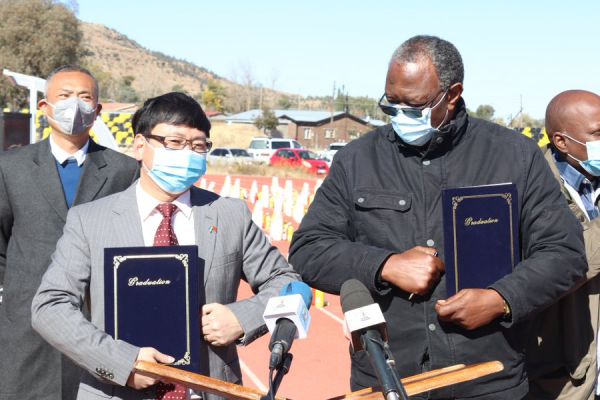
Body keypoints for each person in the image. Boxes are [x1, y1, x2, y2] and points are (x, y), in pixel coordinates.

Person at [288, 35, 587, 399]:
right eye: (390, 104)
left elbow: (565, 253)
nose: (400, 116)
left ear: (452, 94)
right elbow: (309, 249)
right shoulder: (356, 160)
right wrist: (384, 265)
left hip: (488, 378)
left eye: (413, 106)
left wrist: (501, 299)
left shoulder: (514, 156)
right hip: (386, 379)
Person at [31, 92, 300, 400]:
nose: (187, 153)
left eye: (198, 145)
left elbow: (286, 281)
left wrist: (243, 318)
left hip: (210, 389)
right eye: (174, 142)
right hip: (115, 391)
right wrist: (123, 363)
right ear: (139, 146)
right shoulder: (89, 220)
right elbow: (50, 306)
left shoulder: (229, 214)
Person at [0, 64, 139, 400]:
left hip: (100, 327)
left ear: (97, 110)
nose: (73, 105)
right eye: (63, 96)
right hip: (26, 325)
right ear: (43, 107)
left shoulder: (125, 170)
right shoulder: (10, 167)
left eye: (84, 97)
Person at [525, 90, 600, 400]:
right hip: (568, 372)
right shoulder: (530, 187)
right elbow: (559, 265)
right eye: (598, 133)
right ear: (561, 142)